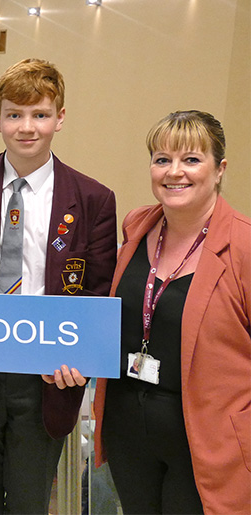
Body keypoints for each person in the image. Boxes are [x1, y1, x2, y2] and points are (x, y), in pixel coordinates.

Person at [0, 58, 118, 513]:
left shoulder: (93, 200)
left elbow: (97, 293)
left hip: (45, 377)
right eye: (14, 114)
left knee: (28, 501)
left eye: (40, 114)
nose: (27, 127)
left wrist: (79, 356)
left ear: (60, 118)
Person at [93, 111, 251, 514]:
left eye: (191, 160)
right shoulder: (136, 227)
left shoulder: (244, 247)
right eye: (162, 159)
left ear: (220, 170)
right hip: (128, 427)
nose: (174, 172)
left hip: (208, 442)